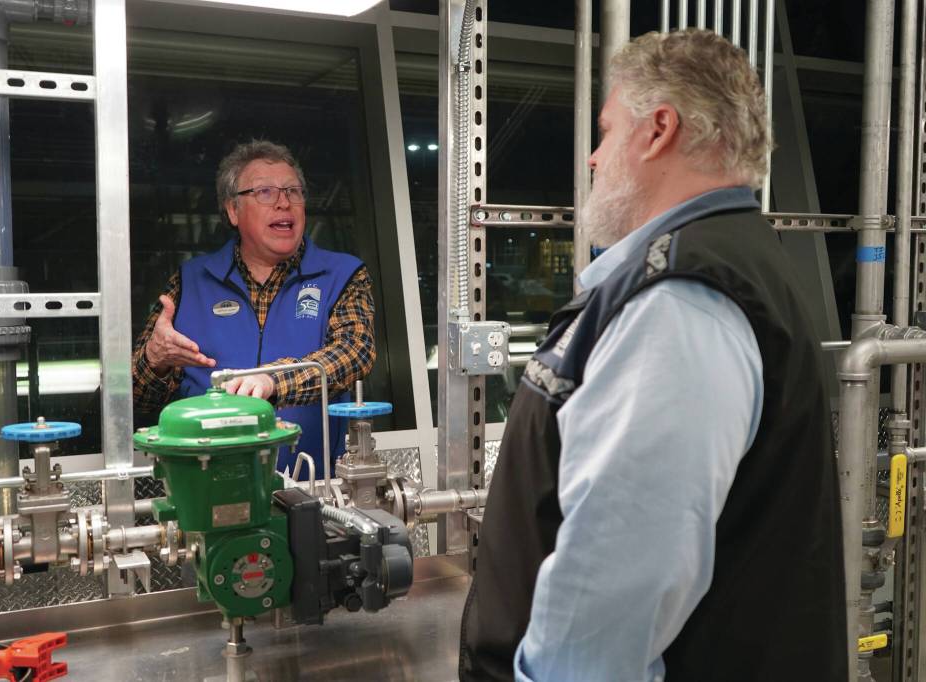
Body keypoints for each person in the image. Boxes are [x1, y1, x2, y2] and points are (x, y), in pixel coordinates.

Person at [459, 29, 846, 681]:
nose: (592, 157)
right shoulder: (726, 265)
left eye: (607, 131)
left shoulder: (681, 297)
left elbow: (612, 596)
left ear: (658, 129)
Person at [132, 140, 376, 479]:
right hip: (205, 487)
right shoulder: (190, 282)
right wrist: (154, 361)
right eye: (265, 192)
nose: (283, 202)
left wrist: (273, 380)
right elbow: (132, 397)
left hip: (316, 491)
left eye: (293, 191)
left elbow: (356, 352)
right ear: (233, 211)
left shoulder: (342, 275)